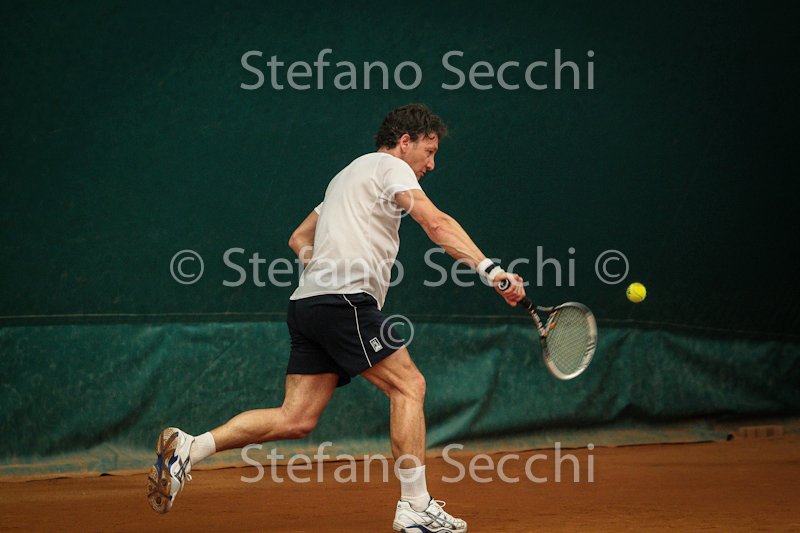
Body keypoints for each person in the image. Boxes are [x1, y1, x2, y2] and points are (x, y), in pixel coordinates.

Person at [146, 103, 526, 532]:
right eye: (430, 151)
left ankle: (190, 447)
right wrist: (491, 270)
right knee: (409, 386)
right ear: (405, 142)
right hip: (344, 301)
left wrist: (322, 270)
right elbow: (436, 224)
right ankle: (415, 505)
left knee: (296, 417)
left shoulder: (345, 177)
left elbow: (298, 238)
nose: (432, 164)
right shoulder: (390, 167)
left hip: (307, 305)